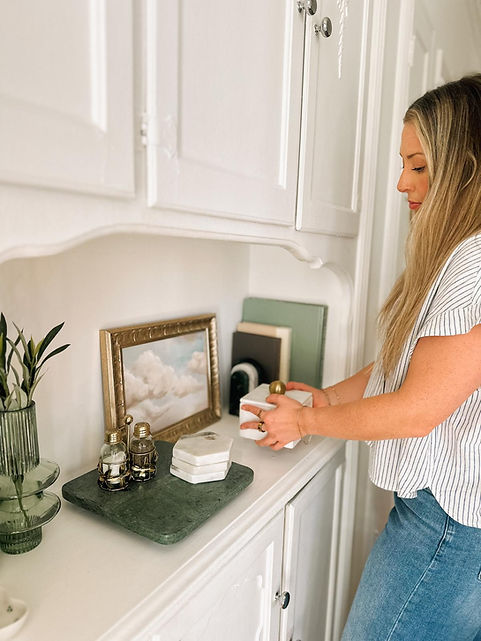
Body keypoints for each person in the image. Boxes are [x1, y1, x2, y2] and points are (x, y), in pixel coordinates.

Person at [241, 73, 481, 641]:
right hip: (446, 526)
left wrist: (305, 419)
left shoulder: (473, 263)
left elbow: (417, 409)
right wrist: (328, 397)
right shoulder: (456, 255)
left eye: (419, 165)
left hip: (445, 531)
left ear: (468, 166)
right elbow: (407, 366)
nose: (401, 182)